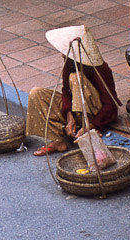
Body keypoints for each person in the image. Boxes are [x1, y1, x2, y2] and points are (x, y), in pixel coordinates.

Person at [26, 25, 121, 156]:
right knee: (36, 93)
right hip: (76, 108)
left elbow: (110, 105)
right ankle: (58, 140)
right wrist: (69, 116)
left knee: (75, 77)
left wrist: (92, 125)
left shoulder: (100, 68)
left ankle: (83, 126)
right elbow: (66, 92)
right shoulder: (69, 64)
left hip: (95, 112)